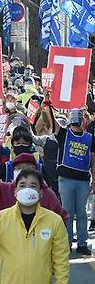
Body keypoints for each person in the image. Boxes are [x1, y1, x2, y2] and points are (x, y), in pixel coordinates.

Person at [51, 108, 95, 255]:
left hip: (83, 179)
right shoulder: (64, 133)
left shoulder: (89, 138)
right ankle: (67, 242)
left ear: (83, 120)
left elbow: (93, 161)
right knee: (68, 212)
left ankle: (82, 243)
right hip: (66, 179)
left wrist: (94, 181)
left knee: (81, 213)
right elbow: (51, 122)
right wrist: (48, 105)